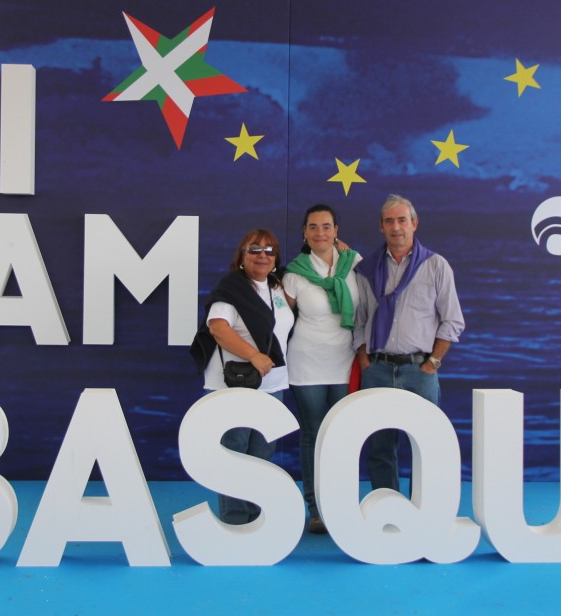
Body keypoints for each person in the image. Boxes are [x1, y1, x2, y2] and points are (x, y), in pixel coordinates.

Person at [353, 194, 466, 494]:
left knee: (426, 443)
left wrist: (433, 363)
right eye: (389, 221)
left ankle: (424, 507)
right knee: (380, 446)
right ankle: (385, 504)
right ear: (381, 226)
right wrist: (365, 359)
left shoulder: (436, 265)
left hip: (419, 370)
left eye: (402, 220)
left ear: (414, 224)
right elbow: (360, 318)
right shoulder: (368, 268)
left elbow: (452, 320)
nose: (396, 227)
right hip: (377, 369)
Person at [200, 228, 295, 524]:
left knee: (260, 456)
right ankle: (236, 520)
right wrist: (253, 355)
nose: (262, 255)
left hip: (272, 385)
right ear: (241, 256)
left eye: (269, 250)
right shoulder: (231, 289)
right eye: (254, 250)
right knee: (235, 453)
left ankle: (254, 519)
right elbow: (218, 328)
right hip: (235, 386)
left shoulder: (276, 288)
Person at [282, 204, 362, 534]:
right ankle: (315, 508)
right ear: (304, 232)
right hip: (307, 363)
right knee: (313, 434)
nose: (320, 233)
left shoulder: (354, 263)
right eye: (313, 227)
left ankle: (342, 505)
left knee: (342, 435)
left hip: (346, 362)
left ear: (336, 231)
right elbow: (281, 321)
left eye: (326, 226)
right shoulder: (294, 273)